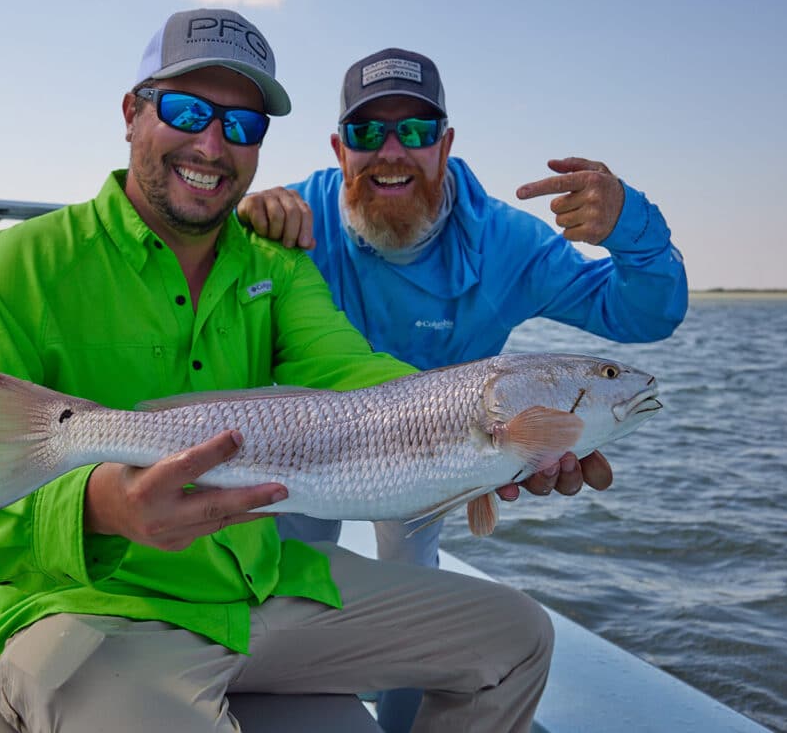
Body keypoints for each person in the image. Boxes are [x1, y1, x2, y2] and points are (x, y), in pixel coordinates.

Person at [0, 12, 559, 733]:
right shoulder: (26, 262)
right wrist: (97, 507)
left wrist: (496, 425)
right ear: (132, 114)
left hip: (257, 585)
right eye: (185, 111)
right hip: (88, 605)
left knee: (516, 638)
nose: (212, 144)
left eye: (243, 125)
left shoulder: (276, 265)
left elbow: (354, 374)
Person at [238, 47, 688, 733]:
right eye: (367, 133)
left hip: (439, 452)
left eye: (416, 132)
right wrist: (238, 222)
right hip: (308, 449)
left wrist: (635, 226)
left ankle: (402, 714)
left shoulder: (506, 242)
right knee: (285, 567)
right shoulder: (297, 221)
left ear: (446, 144)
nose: (392, 152)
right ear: (338, 148)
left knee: (415, 580)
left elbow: (645, 312)